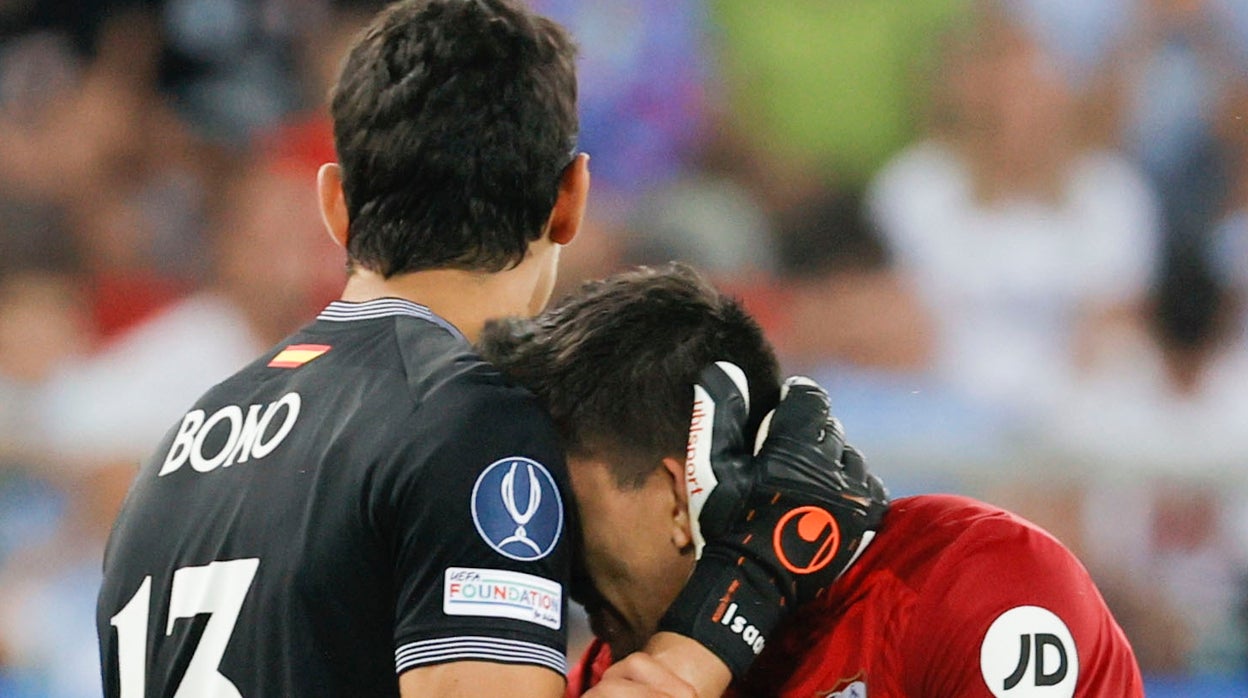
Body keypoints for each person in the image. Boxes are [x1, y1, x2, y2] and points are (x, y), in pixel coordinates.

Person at [95, 2, 886, 697]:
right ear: (570, 199)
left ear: (335, 205)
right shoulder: (468, 424)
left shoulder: (178, 448)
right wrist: (742, 590)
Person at [476, 263, 1146, 697]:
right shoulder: (617, 671)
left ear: (681, 494)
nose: (547, 553)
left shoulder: (976, 585)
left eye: (565, 507)